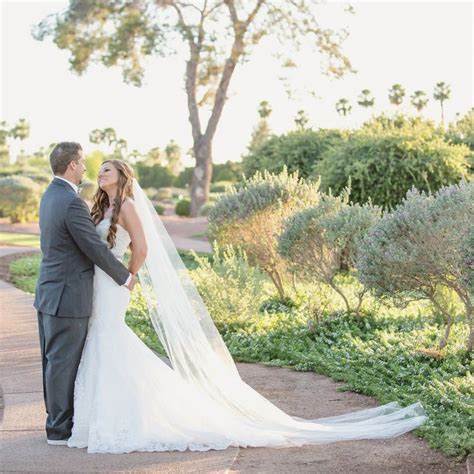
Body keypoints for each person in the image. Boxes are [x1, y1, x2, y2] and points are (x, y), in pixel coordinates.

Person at [66, 158, 428, 454]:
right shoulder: (100, 205)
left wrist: (129, 278)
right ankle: (106, 416)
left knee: (110, 339)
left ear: (122, 176)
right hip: (98, 283)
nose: (100, 174)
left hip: (114, 286)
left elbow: (141, 248)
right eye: (98, 170)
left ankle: (128, 416)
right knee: (104, 341)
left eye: (107, 170)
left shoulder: (127, 206)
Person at [34, 143, 137, 445]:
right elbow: (92, 247)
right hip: (69, 294)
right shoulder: (71, 201)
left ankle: (56, 422)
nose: (86, 169)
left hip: (49, 291)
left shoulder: (49, 195)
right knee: (62, 363)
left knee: (52, 362)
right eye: (81, 163)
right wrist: (125, 277)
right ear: (72, 166)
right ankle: (58, 429)